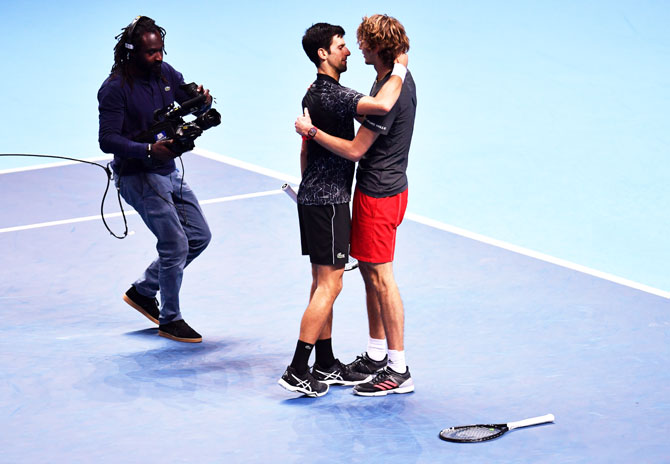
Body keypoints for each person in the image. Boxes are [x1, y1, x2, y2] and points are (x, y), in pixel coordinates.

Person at [278, 22, 408, 397]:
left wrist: (310, 190)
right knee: (330, 286)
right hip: (331, 201)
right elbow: (383, 104)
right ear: (324, 54)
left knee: (322, 283)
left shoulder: (315, 94)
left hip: (315, 197)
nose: (349, 51)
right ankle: (297, 369)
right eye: (341, 46)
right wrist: (400, 65)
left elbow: (305, 152)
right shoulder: (333, 95)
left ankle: (325, 362)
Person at [98, 16, 212, 343]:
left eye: (160, 50)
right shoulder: (114, 89)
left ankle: (144, 291)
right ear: (131, 52)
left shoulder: (165, 72)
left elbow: (188, 104)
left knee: (199, 236)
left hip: (168, 169)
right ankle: (170, 319)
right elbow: (108, 140)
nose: (158, 57)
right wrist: (148, 148)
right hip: (139, 175)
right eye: (151, 53)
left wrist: (200, 103)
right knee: (175, 243)